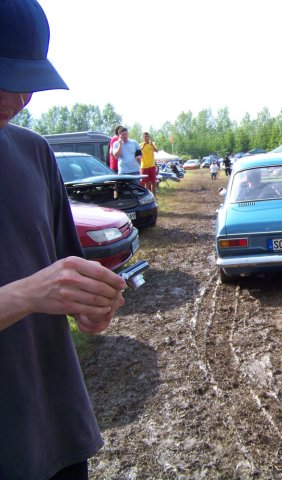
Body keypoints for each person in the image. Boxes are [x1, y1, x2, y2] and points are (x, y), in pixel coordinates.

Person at [0, 1, 127, 479]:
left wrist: (92, 306)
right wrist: (27, 294)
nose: (18, 97)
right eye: (3, 73)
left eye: (29, 80)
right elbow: (36, 290)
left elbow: (68, 282)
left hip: (58, 432)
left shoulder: (33, 152)